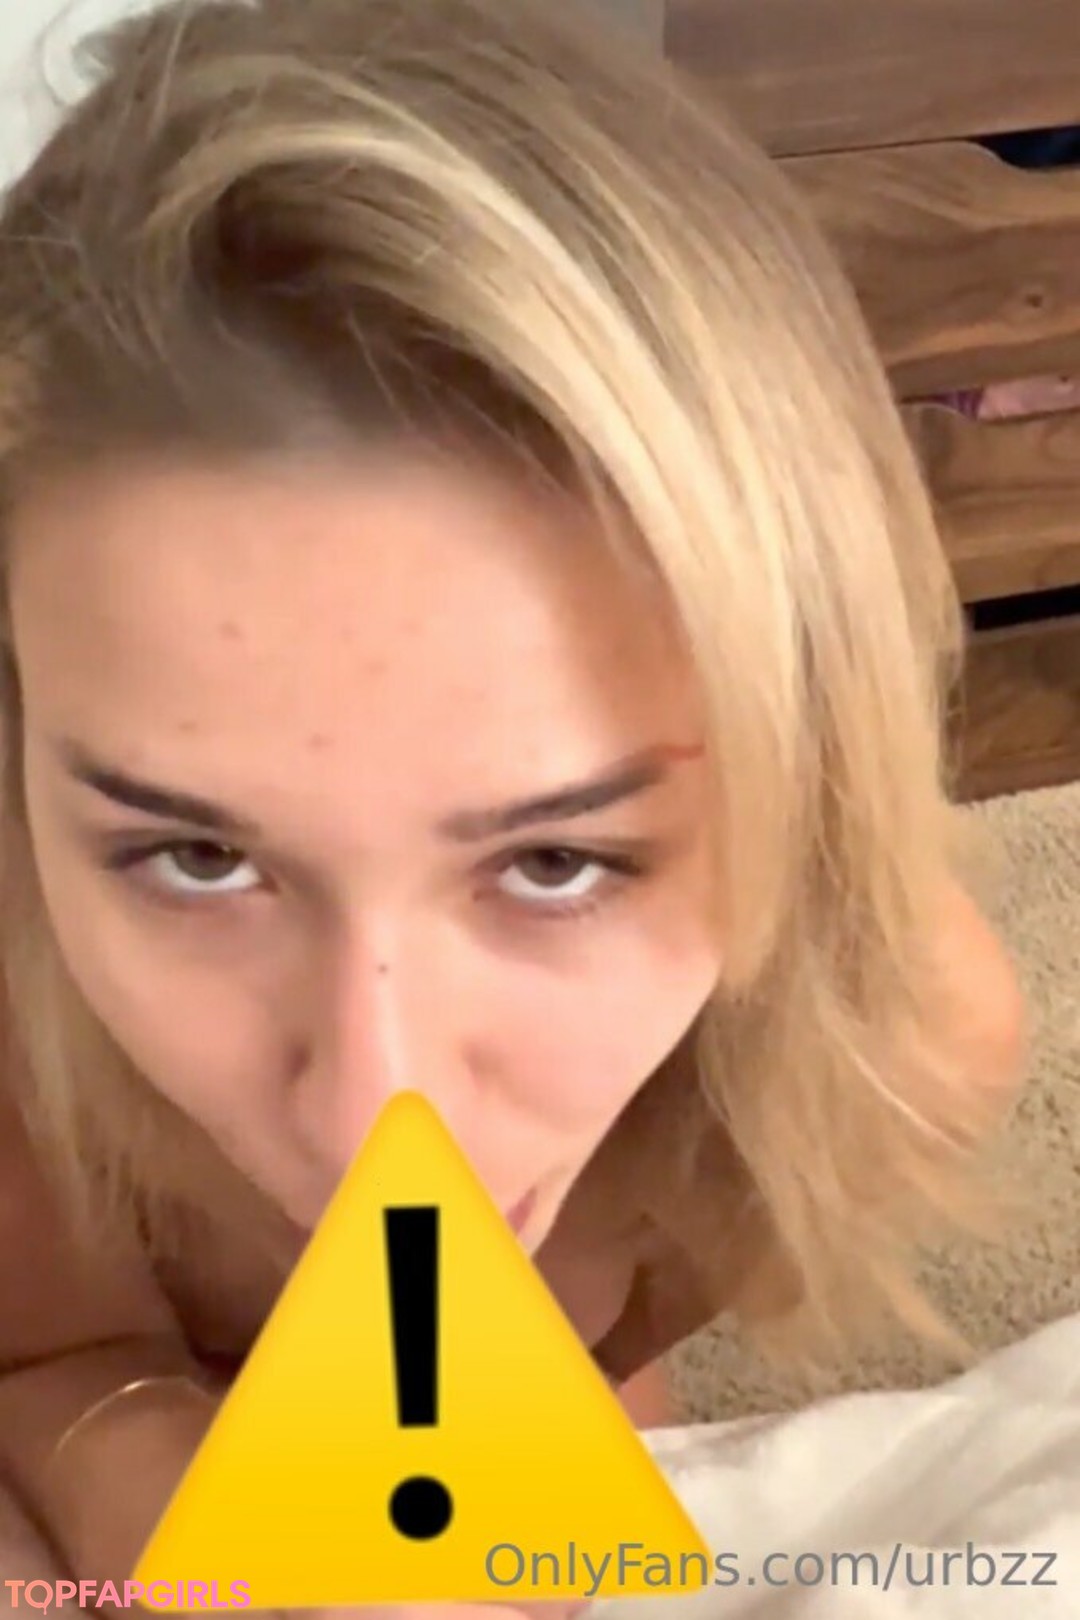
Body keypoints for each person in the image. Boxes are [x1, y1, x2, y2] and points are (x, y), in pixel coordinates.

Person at [0, 0, 1026, 1611]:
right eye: (192, 855)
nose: (373, 1109)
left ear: (811, 763)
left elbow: (558, 1372)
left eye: (558, 860)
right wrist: (156, 1493)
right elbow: (44, 1357)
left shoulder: (893, 1048)